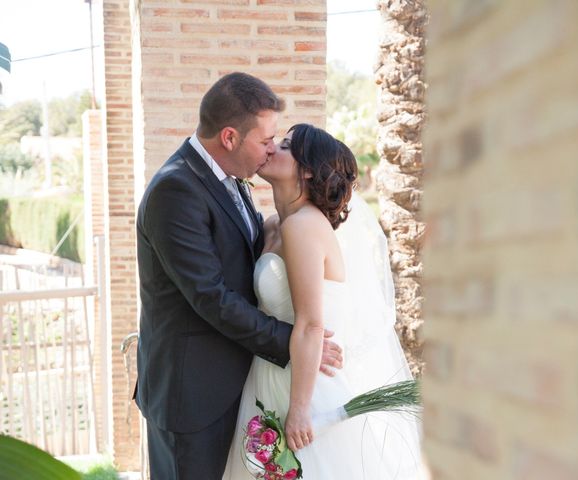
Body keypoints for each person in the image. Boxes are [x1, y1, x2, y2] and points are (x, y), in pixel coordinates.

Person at [135, 73, 343, 480]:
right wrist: (293, 342)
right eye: (265, 141)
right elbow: (211, 296)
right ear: (229, 137)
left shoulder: (234, 180)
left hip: (237, 383)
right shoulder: (175, 190)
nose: (270, 150)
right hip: (191, 395)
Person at [223, 124, 425, 479]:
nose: (272, 148)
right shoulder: (272, 225)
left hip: (303, 384)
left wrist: (300, 409)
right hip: (267, 372)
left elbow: (312, 324)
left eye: (285, 145)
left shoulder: (304, 226)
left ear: (309, 169)